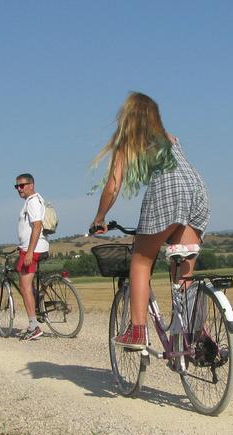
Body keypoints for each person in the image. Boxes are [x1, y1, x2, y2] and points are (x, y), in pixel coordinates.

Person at [90, 92, 210, 349]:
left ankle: (137, 331)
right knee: (183, 268)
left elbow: (112, 186)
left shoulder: (127, 143)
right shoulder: (171, 138)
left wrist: (100, 217)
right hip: (196, 191)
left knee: (141, 262)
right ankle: (194, 336)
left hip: (168, 192)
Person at [14, 173, 49, 341]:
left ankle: (33, 326)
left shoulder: (33, 201)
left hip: (32, 249)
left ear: (31, 185)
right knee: (26, 283)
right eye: (17, 186)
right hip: (30, 247)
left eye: (22, 185)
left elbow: (36, 226)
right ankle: (37, 303)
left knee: (24, 286)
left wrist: (29, 251)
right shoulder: (33, 200)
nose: (19, 189)